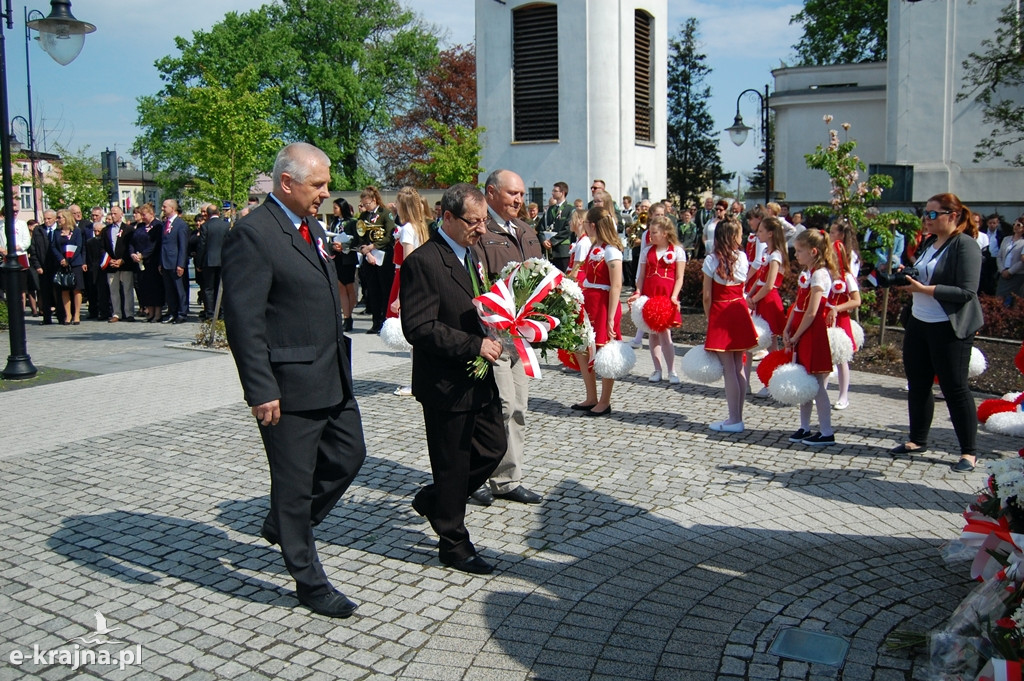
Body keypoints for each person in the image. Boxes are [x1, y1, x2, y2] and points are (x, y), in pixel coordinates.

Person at [222, 142, 366, 617]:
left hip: (331, 374)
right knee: (293, 481)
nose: (326, 192)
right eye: (318, 184)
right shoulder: (254, 233)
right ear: (287, 183)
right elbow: (245, 321)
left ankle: (286, 522)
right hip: (288, 385)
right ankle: (309, 581)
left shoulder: (312, 226)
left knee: (349, 455)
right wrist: (261, 389)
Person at [400, 183, 506, 575]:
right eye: (473, 222)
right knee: (452, 464)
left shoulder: (473, 254)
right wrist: (472, 345)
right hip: (445, 381)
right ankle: (453, 543)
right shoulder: (424, 261)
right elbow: (419, 326)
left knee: (493, 448)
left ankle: (436, 501)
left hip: (478, 377)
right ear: (447, 217)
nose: (481, 229)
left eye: (484, 221)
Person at [892, 193, 984, 473]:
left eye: (933, 214)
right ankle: (917, 439)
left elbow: (967, 292)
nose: (926, 219)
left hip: (948, 326)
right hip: (920, 321)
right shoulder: (930, 242)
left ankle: (969, 451)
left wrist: (925, 290)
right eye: (926, 213)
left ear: (952, 216)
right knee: (918, 383)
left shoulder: (965, 245)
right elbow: (924, 272)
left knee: (954, 387)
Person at [470, 169, 544, 506]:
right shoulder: (481, 231)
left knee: (518, 408)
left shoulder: (527, 231)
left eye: (521, 194)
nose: (519, 200)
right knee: (495, 406)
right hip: (492, 333)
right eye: (512, 193)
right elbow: (477, 285)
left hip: (520, 336)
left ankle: (507, 479)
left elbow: (542, 277)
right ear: (491, 192)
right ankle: (472, 476)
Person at [702, 218, 758, 432]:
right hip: (739, 310)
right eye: (739, 234)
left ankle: (734, 419)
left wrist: (710, 319)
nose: (742, 237)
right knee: (738, 366)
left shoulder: (711, 260)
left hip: (722, 312)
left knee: (729, 369)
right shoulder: (743, 257)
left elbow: (707, 296)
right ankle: (738, 416)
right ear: (733, 237)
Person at [784, 229, 838, 446]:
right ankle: (804, 426)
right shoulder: (808, 272)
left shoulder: (820, 275)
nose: (795, 255)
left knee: (816, 384)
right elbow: (799, 303)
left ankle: (826, 431)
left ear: (813, 251)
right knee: (805, 380)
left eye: (799, 251)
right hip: (801, 330)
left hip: (811, 332)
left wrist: (797, 335)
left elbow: (813, 311)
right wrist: (788, 327)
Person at [571, 207, 624, 417]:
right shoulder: (594, 246)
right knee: (582, 349)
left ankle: (605, 400)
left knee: (604, 351)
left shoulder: (611, 250)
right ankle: (591, 396)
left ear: (592, 225)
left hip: (603, 305)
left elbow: (616, 285)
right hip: (589, 302)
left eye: (586, 223)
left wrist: (611, 316)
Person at [628, 215, 684, 384]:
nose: (650, 236)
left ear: (665, 233)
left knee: (665, 334)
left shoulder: (677, 251)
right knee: (652, 334)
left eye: (654, 232)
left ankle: (672, 370)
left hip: (666, 295)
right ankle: (657, 369)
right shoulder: (647, 251)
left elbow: (679, 277)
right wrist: (638, 291)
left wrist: (674, 296)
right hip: (650, 293)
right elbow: (642, 275)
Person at [387, 187, 430, 397]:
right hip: (421, 280)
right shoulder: (421, 227)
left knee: (411, 334)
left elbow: (407, 262)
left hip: (405, 280)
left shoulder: (406, 229)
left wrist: (399, 296)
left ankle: (417, 382)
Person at [745, 215, 788, 397]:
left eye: (761, 231)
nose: (758, 234)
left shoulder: (776, 256)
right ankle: (745, 382)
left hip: (769, 301)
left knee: (771, 343)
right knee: (751, 340)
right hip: (760, 299)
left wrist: (755, 297)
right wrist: (750, 293)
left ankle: (771, 382)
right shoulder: (766, 254)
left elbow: (769, 284)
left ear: (770, 234)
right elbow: (760, 279)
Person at [827, 222, 862, 410]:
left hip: (841, 320)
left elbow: (856, 301)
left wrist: (837, 308)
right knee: (824, 359)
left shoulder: (847, 277)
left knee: (842, 359)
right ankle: (821, 391)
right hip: (827, 320)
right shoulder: (825, 276)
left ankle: (843, 395)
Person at [356, 186, 396, 334]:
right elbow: (360, 236)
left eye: (367, 204)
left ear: (374, 200)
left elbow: (389, 235)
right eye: (363, 204)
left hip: (384, 256)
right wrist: (367, 252)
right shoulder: (363, 217)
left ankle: (385, 322)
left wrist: (373, 246)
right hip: (369, 257)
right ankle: (375, 322)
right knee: (372, 290)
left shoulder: (385, 213)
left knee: (385, 289)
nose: (365, 207)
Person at [50, 209, 86, 325]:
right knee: (64, 289)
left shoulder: (76, 231)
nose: (58, 220)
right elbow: (54, 247)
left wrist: (69, 260)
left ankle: (76, 314)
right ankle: (68, 314)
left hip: (75, 263)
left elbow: (78, 246)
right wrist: (61, 259)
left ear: (66, 218)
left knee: (76, 289)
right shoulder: (56, 232)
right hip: (62, 263)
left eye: (60, 217)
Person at [329, 198, 360, 331]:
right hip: (337, 258)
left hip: (348, 257)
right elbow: (331, 238)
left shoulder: (352, 222)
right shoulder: (333, 222)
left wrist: (344, 245)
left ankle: (350, 314)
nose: (334, 210)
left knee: (349, 286)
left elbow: (357, 240)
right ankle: (346, 317)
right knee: (340, 285)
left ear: (342, 208)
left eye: (336, 207)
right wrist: (333, 246)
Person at [103, 206, 136, 322]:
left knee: (127, 289)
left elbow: (130, 247)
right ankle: (116, 313)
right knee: (113, 289)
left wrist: (123, 260)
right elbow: (103, 247)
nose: (113, 216)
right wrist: (109, 260)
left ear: (121, 214)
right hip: (111, 265)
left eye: (115, 213)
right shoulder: (106, 230)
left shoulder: (129, 229)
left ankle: (129, 313)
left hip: (125, 264)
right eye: (111, 213)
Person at [159, 199, 189, 324]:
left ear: (172, 208)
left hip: (176, 262)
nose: (162, 208)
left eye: (165, 207)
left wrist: (181, 264)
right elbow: (163, 244)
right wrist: (160, 262)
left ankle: (182, 313)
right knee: (169, 290)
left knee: (179, 290)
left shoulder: (181, 225)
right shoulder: (165, 224)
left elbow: (183, 246)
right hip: (166, 262)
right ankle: (172, 312)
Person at [197, 204, 229, 320]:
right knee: (220, 287)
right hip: (222, 261)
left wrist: (199, 263)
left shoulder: (205, 226)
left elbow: (202, 246)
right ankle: (221, 312)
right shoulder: (225, 226)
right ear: (218, 213)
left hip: (209, 261)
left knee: (208, 288)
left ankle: (210, 313)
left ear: (208, 214)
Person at [133, 204, 164, 323]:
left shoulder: (158, 226)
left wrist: (143, 254)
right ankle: (150, 312)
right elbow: (133, 241)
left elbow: (155, 244)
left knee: (155, 288)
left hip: (153, 261)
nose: (142, 217)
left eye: (144, 214)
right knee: (145, 288)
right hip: (141, 261)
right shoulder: (140, 226)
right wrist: (133, 253)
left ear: (151, 214)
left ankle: (157, 313)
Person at [30, 209, 61, 324]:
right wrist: (37, 265)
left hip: (57, 266)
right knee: (45, 292)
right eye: (45, 219)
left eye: (49, 219)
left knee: (58, 291)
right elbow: (33, 249)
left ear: (55, 219)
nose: (46, 221)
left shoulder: (59, 230)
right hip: (43, 266)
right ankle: (46, 317)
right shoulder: (38, 230)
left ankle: (61, 316)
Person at [539, 181, 574, 272]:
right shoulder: (550, 209)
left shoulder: (570, 209)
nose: (552, 193)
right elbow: (541, 227)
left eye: (555, 191)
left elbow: (568, 229)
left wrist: (552, 241)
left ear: (562, 193)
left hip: (562, 251)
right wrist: (543, 240)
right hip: (549, 251)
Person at [995, 217, 1024, 305]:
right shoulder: (1006, 239)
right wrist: (1002, 270)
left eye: (1018, 225)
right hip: (1003, 273)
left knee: (1015, 300)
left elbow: (1022, 260)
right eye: (1014, 224)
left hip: (1017, 274)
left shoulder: (1023, 242)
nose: (1015, 226)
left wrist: (1010, 271)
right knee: (999, 298)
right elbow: (999, 256)